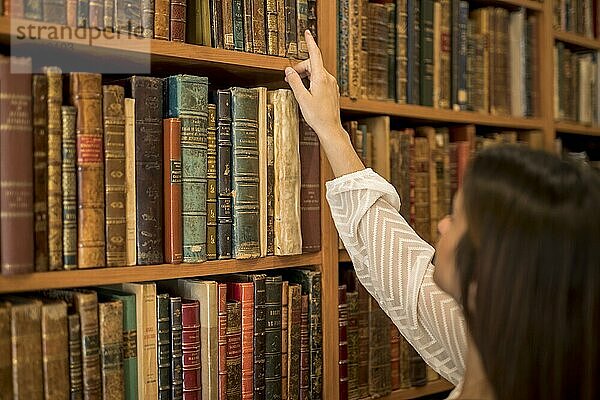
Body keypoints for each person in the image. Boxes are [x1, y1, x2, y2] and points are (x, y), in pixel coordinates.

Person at [285, 30, 600, 399]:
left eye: (458, 217)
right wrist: (331, 129)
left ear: (498, 264)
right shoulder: (497, 343)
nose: (441, 224)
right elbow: (402, 273)